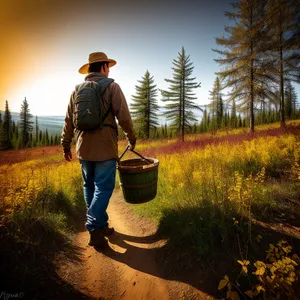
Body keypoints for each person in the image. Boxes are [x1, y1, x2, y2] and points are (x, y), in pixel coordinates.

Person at [61, 52, 136, 248]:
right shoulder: (112, 86)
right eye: (108, 66)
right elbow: (124, 117)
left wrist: (65, 145)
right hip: (105, 148)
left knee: (89, 187)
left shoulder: (76, 91)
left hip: (83, 149)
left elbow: (68, 121)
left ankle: (101, 225)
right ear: (103, 67)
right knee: (104, 188)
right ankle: (94, 227)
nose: (109, 70)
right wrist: (131, 137)